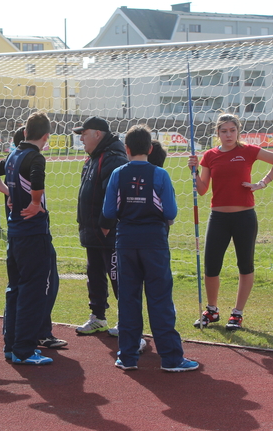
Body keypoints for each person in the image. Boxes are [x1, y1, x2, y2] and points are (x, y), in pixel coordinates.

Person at [102, 125, 200, 372]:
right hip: (154, 243)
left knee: (128, 299)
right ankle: (171, 358)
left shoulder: (117, 174)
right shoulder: (160, 174)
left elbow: (108, 212)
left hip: (125, 241)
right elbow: (170, 212)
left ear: (126, 149)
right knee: (160, 299)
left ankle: (127, 357)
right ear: (149, 148)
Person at [188, 113, 273, 331]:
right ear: (218, 133)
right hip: (219, 217)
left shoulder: (248, 151)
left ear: (238, 131)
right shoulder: (210, 156)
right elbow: (203, 190)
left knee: (245, 265)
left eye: (232, 130)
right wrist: (193, 172)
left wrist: (262, 183)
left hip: (244, 217)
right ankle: (212, 311)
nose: (228, 135)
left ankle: (237, 313)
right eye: (224, 131)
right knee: (211, 267)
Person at [0, 112, 59, 365]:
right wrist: (36, 202)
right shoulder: (35, 156)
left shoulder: (13, 156)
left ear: (25, 132)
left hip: (14, 233)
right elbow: (38, 178)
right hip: (32, 232)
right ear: (46, 137)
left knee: (15, 289)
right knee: (32, 291)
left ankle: (12, 345)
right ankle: (24, 350)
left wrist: (10, 193)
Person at [72, 116, 128, 337]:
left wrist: (106, 225)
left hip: (108, 233)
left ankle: (127, 320)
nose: (81, 139)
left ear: (97, 134)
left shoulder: (113, 159)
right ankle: (98, 318)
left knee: (117, 277)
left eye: (84, 134)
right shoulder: (94, 158)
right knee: (94, 274)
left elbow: (116, 196)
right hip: (92, 232)